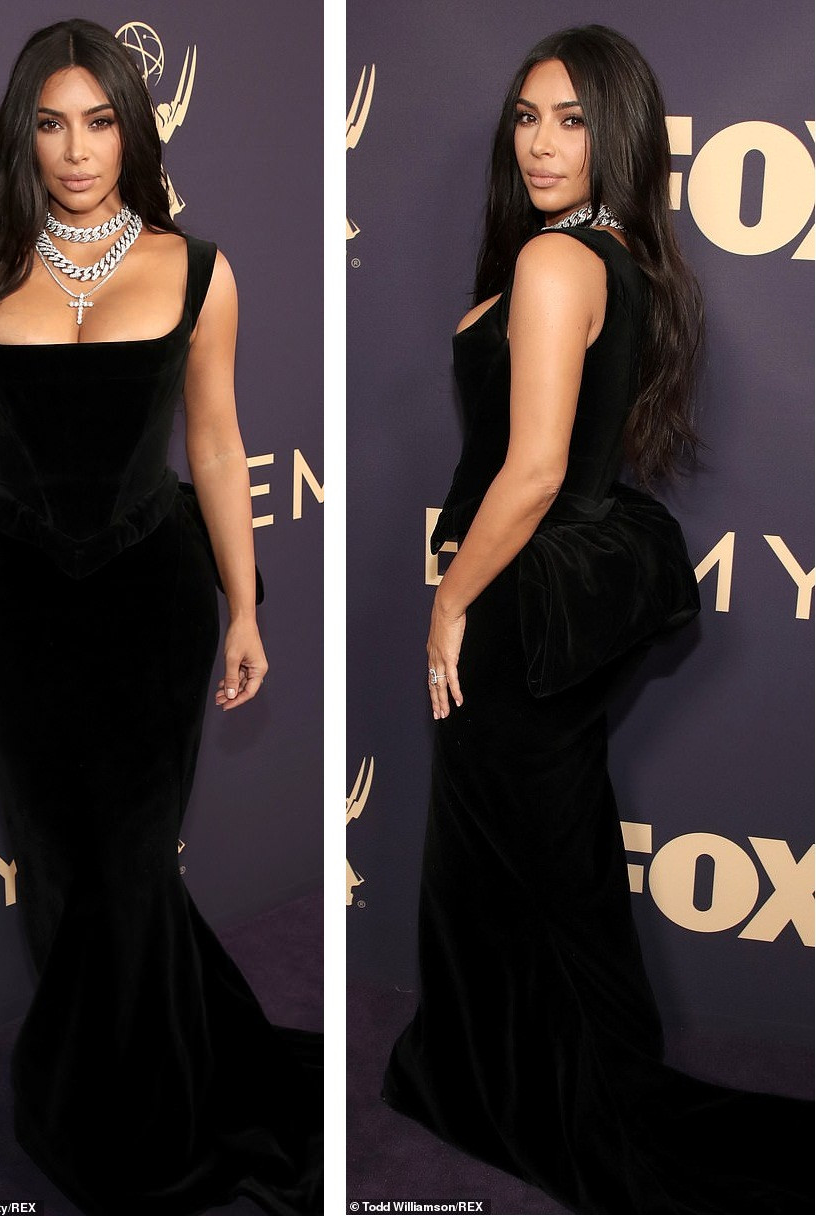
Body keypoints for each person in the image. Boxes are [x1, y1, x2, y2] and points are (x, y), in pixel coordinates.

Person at [0, 19, 320, 1216]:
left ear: (133, 128)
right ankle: (100, 1094)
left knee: (130, 866)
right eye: (50, 124)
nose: (77, 151)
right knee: (58, 868)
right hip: (15, 614)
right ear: (21, 136)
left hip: (150, 604)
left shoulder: (198, 270)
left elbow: (217, 445)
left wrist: (245, 606)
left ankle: (142, 1110)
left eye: (98, 122)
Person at [382, 24, 811, 1214]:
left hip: (513, 603)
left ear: (614, 133)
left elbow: (528, 473)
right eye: (526, 117)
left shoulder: (553, 262)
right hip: (554, 599)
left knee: (515, 865)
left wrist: (448, 604)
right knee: (540, 863)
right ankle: (524, 1078)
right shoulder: (610, 252)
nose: (540, 142)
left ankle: (554, 1096)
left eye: (570, 120)